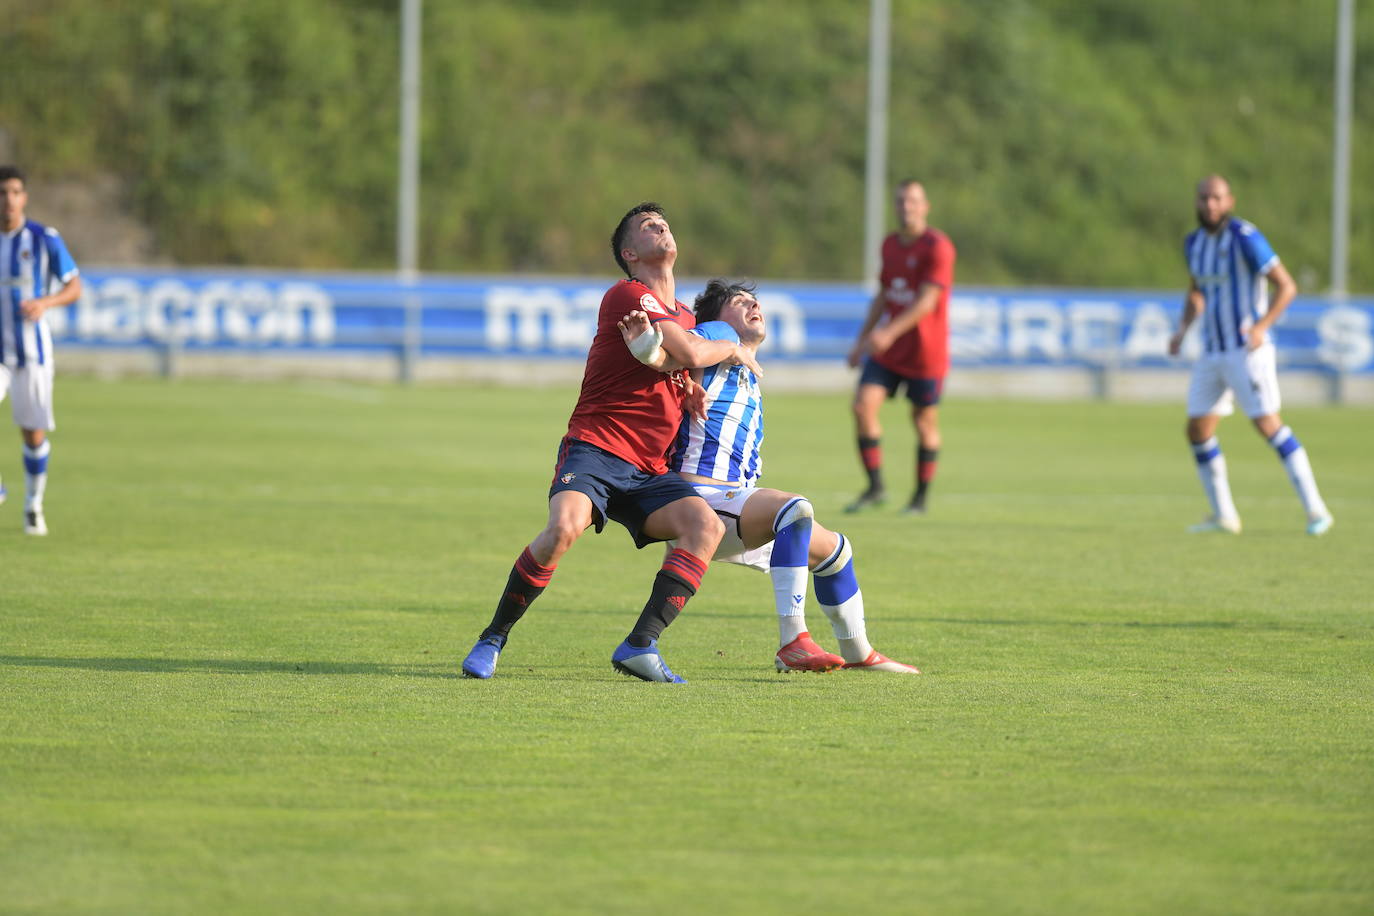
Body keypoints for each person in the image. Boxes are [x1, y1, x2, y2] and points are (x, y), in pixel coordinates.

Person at [460, 203, 763, 683]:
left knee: (705, 528)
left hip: (649, 469)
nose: (660, 227)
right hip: (597, 448)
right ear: (630, 252)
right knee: (563, 530)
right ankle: (493, 637)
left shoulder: (685, 314)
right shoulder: (628, 293)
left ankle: (640, 645)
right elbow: (687, 351)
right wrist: (733, 347)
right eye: (648, 227)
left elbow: (670, 363)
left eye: (663, 222)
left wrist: (688, 390)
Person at [620, 279, 919, 674]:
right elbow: (679, 349)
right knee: (795, 509)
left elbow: (674, 367)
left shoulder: (748, 373)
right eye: (738, 301)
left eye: (754, 301)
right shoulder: (720, 336)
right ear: (715, 319)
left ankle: (858, 653)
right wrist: (653, 350)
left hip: (731, 504)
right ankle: (792, 641)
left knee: (834, 551)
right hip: (700, 500)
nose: (751, 306)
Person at [1168, 175, 1333, 536]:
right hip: (1212, 351)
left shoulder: (1245, 238)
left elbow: (1286, 285)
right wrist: (1182, 330)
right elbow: (1197, 292)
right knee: (1197, 429)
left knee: (1267, 424)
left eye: (1216, 198)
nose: (1210, 205)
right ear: (1196, 202)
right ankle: (1224, 515)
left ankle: (1316, 509)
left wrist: (1262, 327)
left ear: (1229, 201)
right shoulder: (1194, 243)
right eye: (1203, 199)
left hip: (1246, 351)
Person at [845, 179, 956, 515]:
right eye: (901, 201)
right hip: (888, 351)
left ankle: (920, 499)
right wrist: (863, 339)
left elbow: (927, 302)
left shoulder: (938, 247)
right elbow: (883, 295)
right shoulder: (890, 245)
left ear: (925, 207)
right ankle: (875, 486)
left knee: (923, 421)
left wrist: (888, 332)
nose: (906, 207)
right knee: (863, 407)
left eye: (913, 201)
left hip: (926, 353)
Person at [0, 165, 82, 537]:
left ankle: (33, 504)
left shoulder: (43, 238)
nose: (8, 200)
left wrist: (45, 303)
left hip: (32, 353)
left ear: (24, 197)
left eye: (14, 192)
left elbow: (74, 286)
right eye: (2, 193)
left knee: (32, 434)